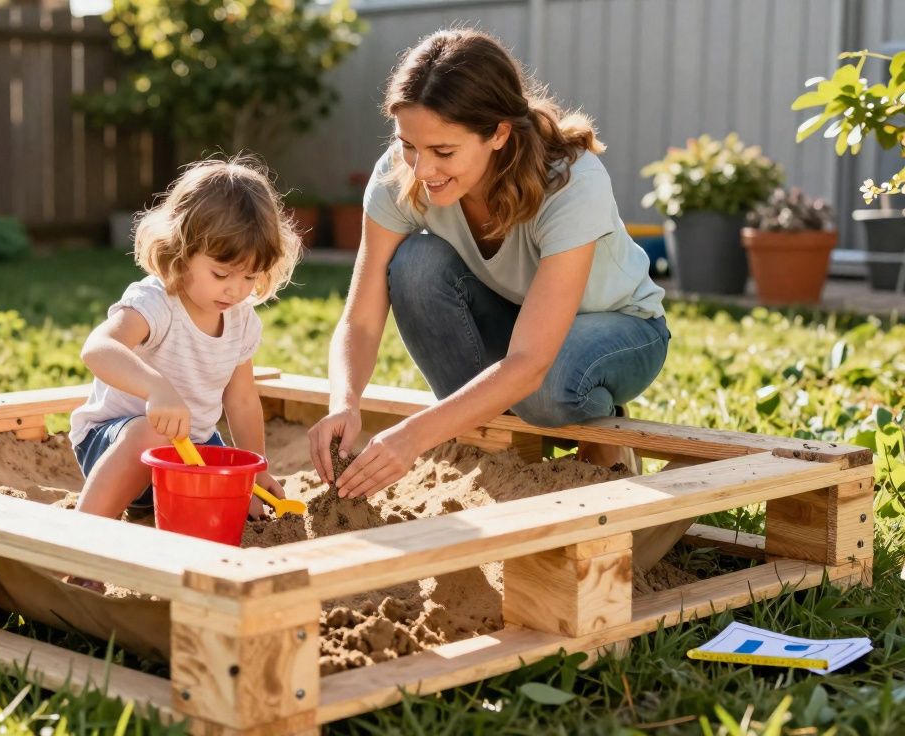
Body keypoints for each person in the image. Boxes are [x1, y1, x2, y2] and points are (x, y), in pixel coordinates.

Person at [309, 29, 670, 499]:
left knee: (544, 385)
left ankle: (603, 446)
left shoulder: (571, 183)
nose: (422, 169)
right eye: (408, 144)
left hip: (620, 330)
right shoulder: (402, 174)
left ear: (499, 133)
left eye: (443, 152)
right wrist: (345, 401)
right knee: (415, 263)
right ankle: (507, 456)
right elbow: (360, 317)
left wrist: (413, 436)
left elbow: (529, 361)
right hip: (520, 324)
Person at [69, 156, 302, 523]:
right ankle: (83, 543)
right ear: (182, 250)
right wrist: (156, 388)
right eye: (221, 273)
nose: (235, 289)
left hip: (189, 449)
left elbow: (241, 400)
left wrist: (254, 469)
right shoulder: (157, 302)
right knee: (153, 432)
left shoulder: (241, 319)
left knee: (232, 489)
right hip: (115, 444)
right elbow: (98, 349)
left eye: (249, 276)